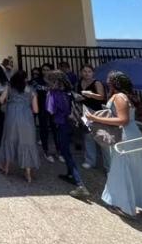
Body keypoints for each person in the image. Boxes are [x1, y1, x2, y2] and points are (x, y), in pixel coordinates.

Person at [87, 71, 142, 217]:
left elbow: (123, 120)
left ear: (113, 83)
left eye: (109, 81)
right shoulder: (126, 97)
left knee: (120, 170)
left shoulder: (119, 97)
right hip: (132, 135)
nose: (107, 83)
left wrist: (94, 117)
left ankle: (123, 205)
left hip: (125, 137)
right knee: (139, 170)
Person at [46, 70, 89, 199]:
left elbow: (50, 110)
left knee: (66, 152)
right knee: (67, 150)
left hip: (62, 123)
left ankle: (79, 183)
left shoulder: (53, 94)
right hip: (73, 123)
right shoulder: (69, 92)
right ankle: (70, 174)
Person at [0, 70, 40, 182]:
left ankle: (6, 167)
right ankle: (28, 173)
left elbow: (1, 99)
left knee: (9, 140)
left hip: (11, 116)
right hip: (26, 117)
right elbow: (36, 110)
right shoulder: (31, 90)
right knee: (27, 142)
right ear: (26, 79)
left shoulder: (9, 87)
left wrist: (10, 103)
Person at [76, 64, 109, 170]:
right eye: (84, 71)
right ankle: (90, 161)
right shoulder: (79, 83)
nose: (87, 73)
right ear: (81, 72)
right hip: (85, 111)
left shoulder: (97, 83)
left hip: (97, 112)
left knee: (101, 138)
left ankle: (108, 165)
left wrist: (89, 94)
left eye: (89, 71)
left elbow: (101, 97)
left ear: (93, 73)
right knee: (88, 136)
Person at [31, 63, 59, 162]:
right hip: (42, 108)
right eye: (44, 70)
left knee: (55, 130)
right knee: (44, 130)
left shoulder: (56, 80)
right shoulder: (36, 81)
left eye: (47, 70)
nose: (45, 71)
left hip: (54, 109)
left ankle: (58, 151)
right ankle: (46, 151)